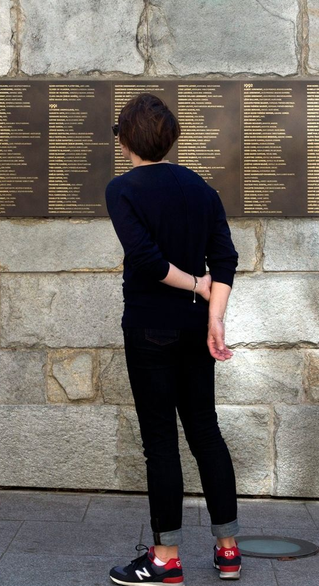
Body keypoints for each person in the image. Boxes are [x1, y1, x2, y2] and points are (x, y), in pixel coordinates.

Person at [105, 93, 242, 585]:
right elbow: (225, 258)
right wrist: (214, 316)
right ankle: (228, 551)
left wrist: (195, 285)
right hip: (193, 328)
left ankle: (164, 558)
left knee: (161, 442)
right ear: (172, 138)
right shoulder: (200, 189)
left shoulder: (122, 191)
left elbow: (145, 258)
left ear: (124, 141)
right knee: (205, 431)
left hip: (149, 328)